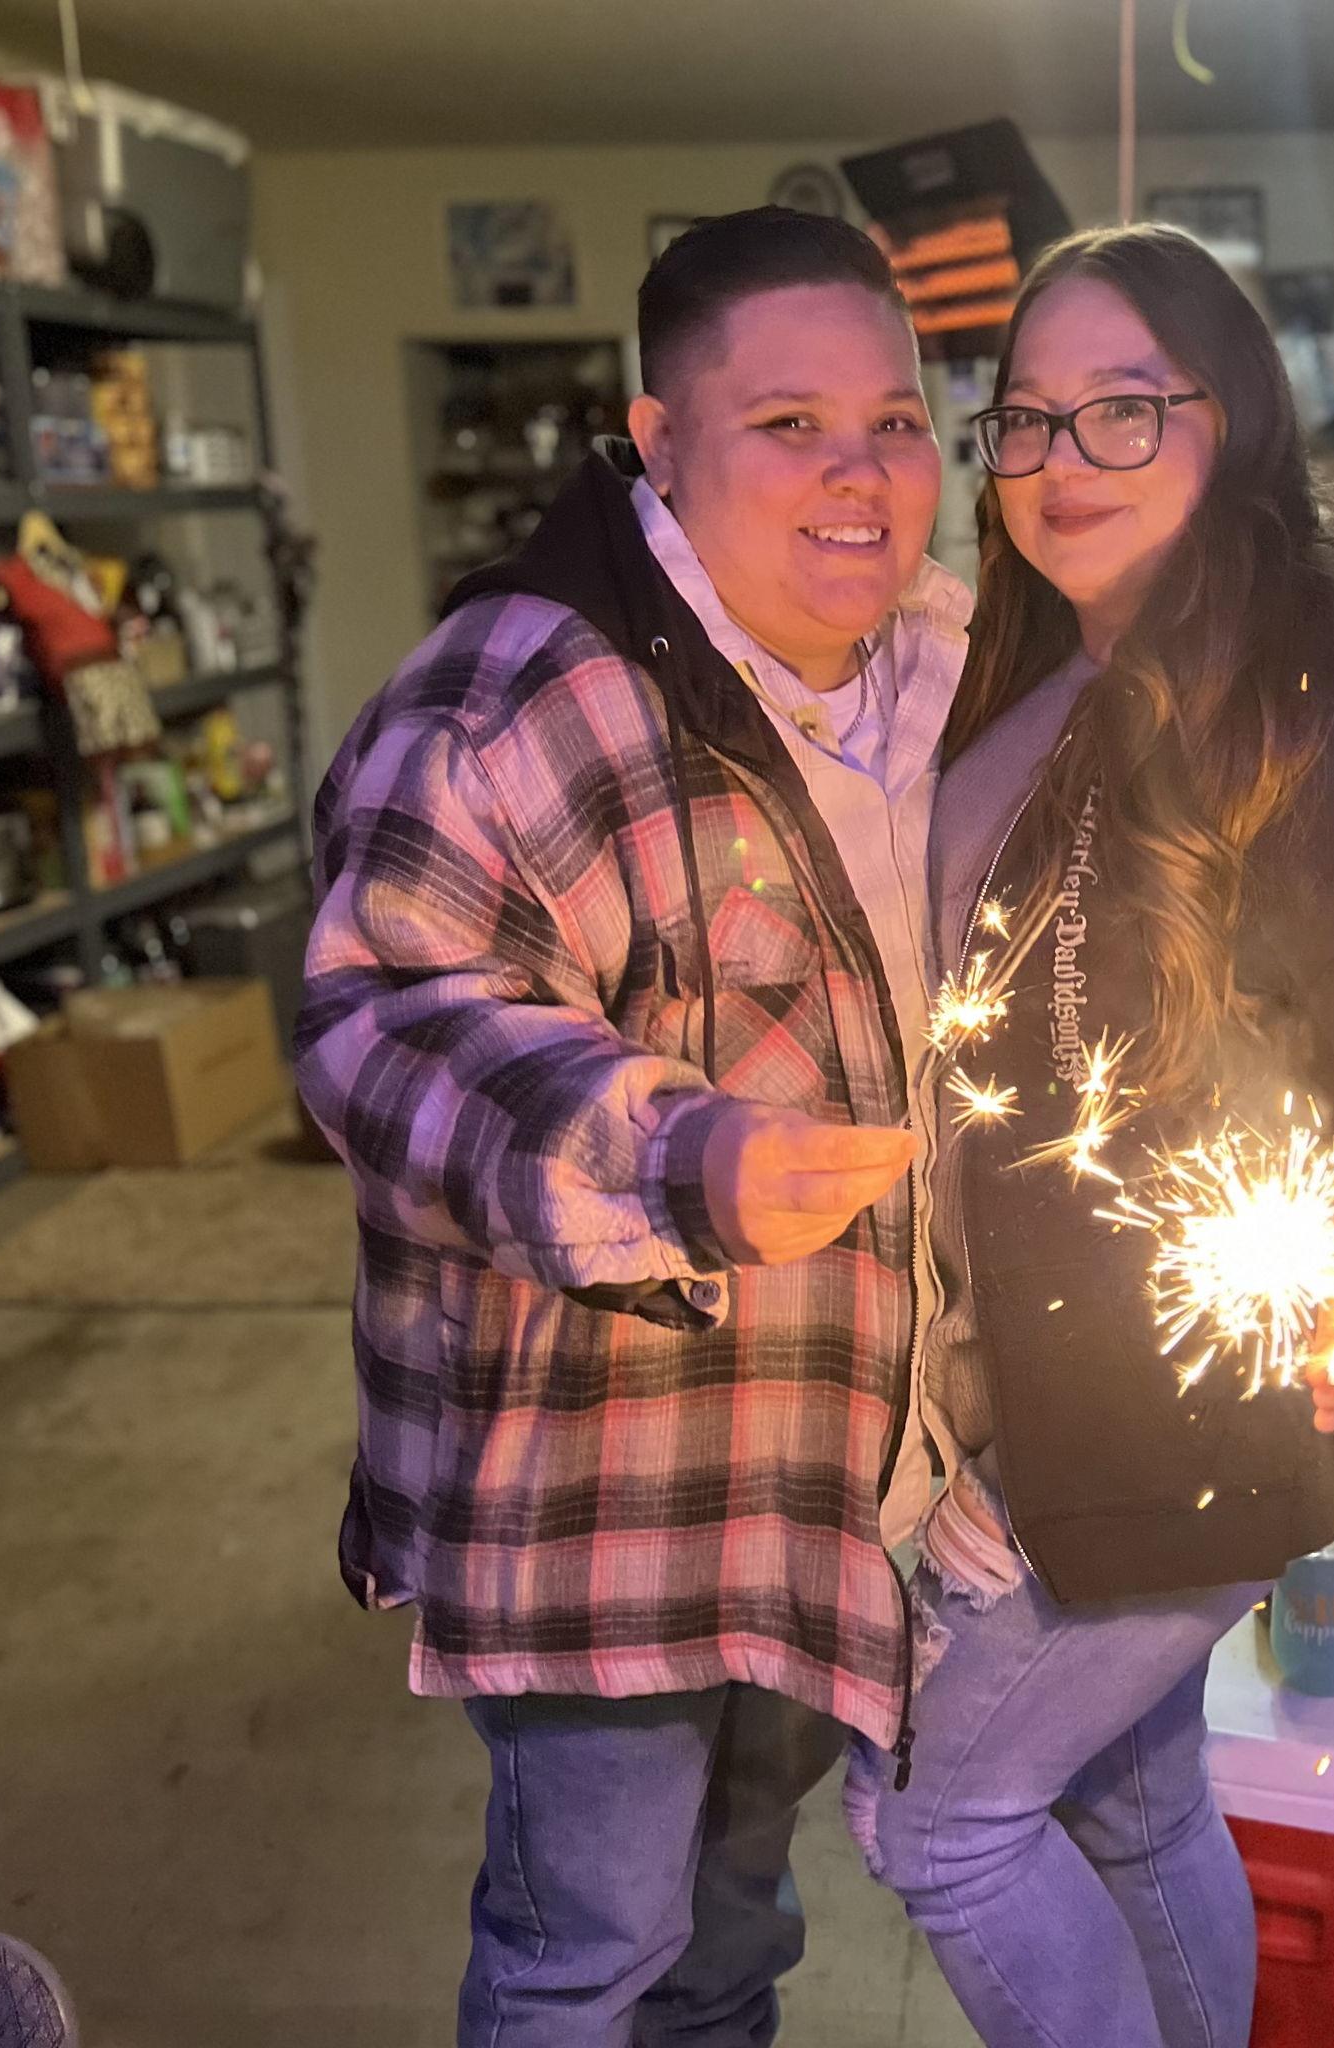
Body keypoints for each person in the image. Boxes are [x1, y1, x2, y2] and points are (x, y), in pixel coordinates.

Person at [844, 224, 1334, 2048]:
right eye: (1028, 423)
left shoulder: (1328, 701)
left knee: (935, 1814)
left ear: (1225, 423)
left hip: (1187, 1412)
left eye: (1122, 414)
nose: (1061, 465)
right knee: (1137, 1808)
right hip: (1041, 1390)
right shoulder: (1042, 672)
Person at [296, 207, 973, 2047]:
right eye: (789, 424)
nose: (863, 473)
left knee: (733, 1939)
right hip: (605, 1498)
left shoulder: (939, 667)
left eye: (898, 421)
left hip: (832, 1472)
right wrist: (683, 1156)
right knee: (586, 1945)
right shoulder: (521, 693)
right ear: (658, 441)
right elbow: (377, 1024)